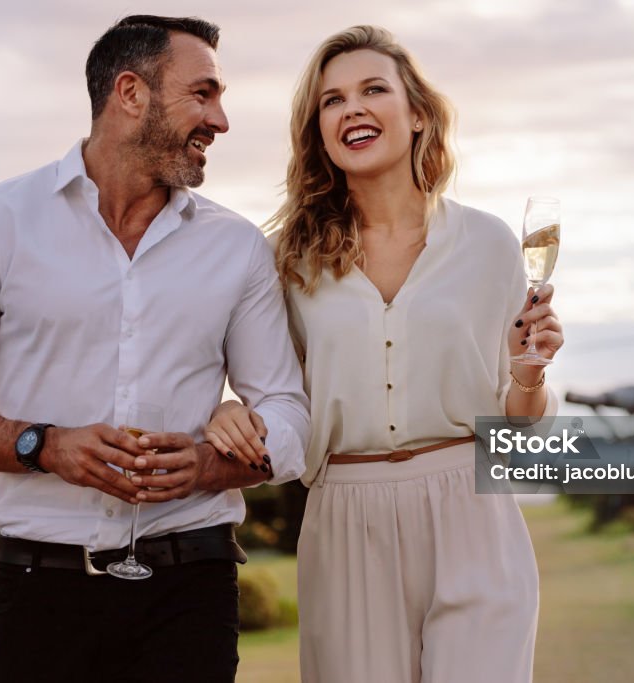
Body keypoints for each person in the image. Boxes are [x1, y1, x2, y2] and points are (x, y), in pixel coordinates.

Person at [0, 15, 309, 683]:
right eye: (202, 94)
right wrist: (45, 444)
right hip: (42, 593)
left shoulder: (236, 249)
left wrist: (208, 467)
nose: (221, 120)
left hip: (192, 591)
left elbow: (290, 414)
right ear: (130, 92)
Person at [205, 25, 563, 683]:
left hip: (473, 512)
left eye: (374, 89)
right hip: (346, 517)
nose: (353, 109)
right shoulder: (288, 259)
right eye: (332, 100)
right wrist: (226, 411)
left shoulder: (487, 244)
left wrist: (528, 372)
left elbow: (516, 435)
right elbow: (271, 392)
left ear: (417, 112)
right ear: (319, 129)